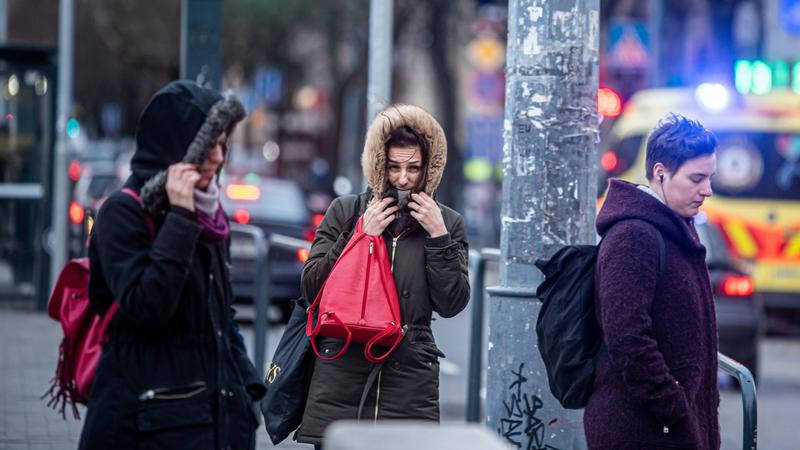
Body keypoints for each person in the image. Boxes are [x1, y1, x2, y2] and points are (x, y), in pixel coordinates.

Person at [78, 81, 265, 449]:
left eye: (222, 143)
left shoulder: (209, 214)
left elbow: (220, 315)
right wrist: (180, 218)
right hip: (148, 420)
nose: (218, 157)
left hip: (212, 417)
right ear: (174, 147)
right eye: (207, 145)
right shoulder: (122, 212)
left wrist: (247, 387)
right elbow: (147, 306)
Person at [295, 104, 470, 448]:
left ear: (429, 169)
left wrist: (439, 237)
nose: (403, 179)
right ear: (378, 165)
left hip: (409, 379)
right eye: (393, 167)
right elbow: (310, 286)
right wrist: (359, 235)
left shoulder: (447, 223)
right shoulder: (345, 212)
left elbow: (452, 303)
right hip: (343, 368)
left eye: (414, 168)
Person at [584, 114, 720, 449]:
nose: (708, 190)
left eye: (709, 178)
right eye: (697, 179)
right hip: (640, 430)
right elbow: (628, 337)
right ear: (660, 173)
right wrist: (674, 410)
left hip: (663, 428)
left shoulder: (674, 227)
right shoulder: (633, 235)